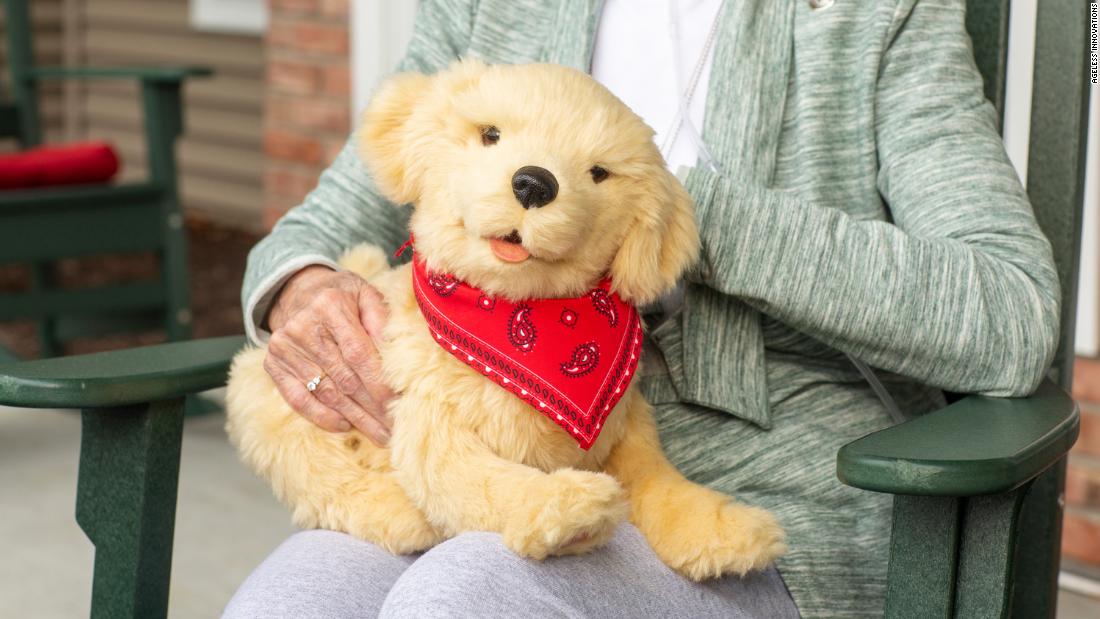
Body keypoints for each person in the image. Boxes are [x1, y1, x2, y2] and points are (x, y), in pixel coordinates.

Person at [224, 1, 1059, 617]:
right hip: (486, 464)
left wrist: (686, 218)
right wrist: (305, 287)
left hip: (756, 504)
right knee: (288, 603)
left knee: (464, 598)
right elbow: (332, 218)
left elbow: (1011, 311)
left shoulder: (877, 16)